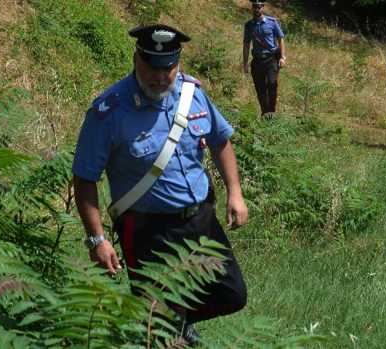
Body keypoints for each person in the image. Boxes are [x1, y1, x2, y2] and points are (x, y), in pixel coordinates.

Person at [72, 24, 248, 345]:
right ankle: (164, 330)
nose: (160, 76)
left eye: (167, 68)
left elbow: (220, 140)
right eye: (151, 66)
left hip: (199, 219)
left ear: (177, 64)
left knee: (233, 294)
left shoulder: (193, 94)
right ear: (137, 59)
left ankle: (177, 323)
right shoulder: (109, 111)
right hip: (145, 229)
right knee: (153, 319)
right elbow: (85, 178)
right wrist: (96, 239)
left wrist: (234, 192)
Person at [243, 0, 286, 119]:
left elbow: (280, 38)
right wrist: (245, 63)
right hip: (257, 60)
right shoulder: (249, 25)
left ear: (263, 8)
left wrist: (282, 57)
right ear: (252, 8)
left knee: (272, 83)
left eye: (259, 7)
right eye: (254, 7)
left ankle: (272, 111)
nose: (256, 9)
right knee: (260, 87)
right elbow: (246, 44)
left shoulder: (272, 22)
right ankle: (265, 112)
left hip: (271, 59)